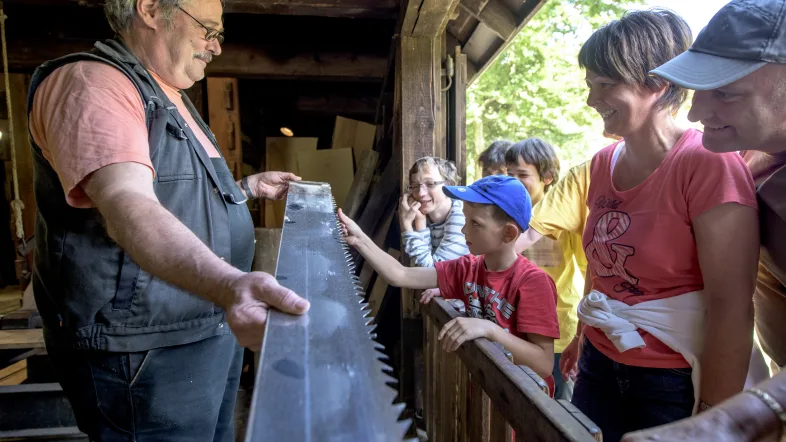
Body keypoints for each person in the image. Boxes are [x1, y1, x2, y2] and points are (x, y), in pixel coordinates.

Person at [26, 0, 309, 439]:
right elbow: (127, 205)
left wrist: (245, 189)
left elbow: (176, 194)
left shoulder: (166, 95)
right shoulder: (95, 84)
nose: (215, 47)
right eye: (207, 29)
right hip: (143, 348)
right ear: (151, 9)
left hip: (199, 325)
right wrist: (231, 285)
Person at [557, 9, 759, 441]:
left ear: (657, 83)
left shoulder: (707, 163)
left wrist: (712, 416)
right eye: (590, 85)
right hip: (599, 360)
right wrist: (582, 334)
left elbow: (732, 306)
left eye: (606, 84)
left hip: (671, 378)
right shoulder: (601, 164)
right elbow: (600, 265)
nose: (592, 100)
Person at [623, 1, 786, 440]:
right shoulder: (748, 155)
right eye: (698, 90)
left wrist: (734, 416)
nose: (695, 114)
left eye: (726, 93)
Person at [339, 175, 560, 393]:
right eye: (466, 219)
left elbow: (543, 364)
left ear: (508, 233)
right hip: (488, 393)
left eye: (475, 223)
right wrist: (359, 239)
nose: (464, 230)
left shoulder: (533, 282)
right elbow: (401, 274)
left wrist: (490, 330)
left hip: (525, 403)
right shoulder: (467, 268)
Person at [505, 138, 583, 400]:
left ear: (547, 177)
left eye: (523, 174)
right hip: (515, 325)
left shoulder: (565, 216)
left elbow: (590, 269)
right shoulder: (505, 214)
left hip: (559, 328)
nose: (514, 181)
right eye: (509, 174)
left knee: (558, 404)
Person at [400, 157, 469, 267]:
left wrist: (406, 225)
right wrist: (420, 224)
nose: (421, 193)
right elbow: (420, 273)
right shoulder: (419, 215)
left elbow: (432, 273)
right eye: (415, 185)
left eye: (430, 184)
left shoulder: (463, 216)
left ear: (449, 184)